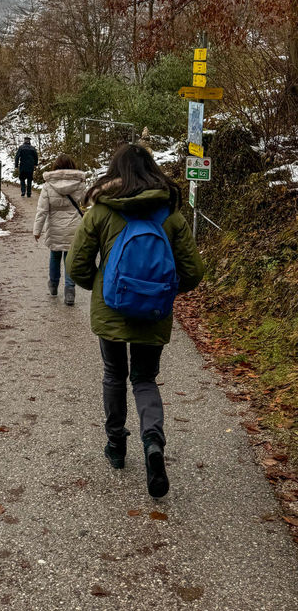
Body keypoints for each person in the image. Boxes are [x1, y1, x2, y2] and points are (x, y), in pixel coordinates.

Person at [66, 143, 204, 498]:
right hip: (154, 312)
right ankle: (153, 442)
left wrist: (100, 286)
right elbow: (192, 272)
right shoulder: (170, 213)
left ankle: (116, 447)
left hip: (111, 308)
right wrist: (162, 291)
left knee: (114, 375)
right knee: (144, 378)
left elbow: (77, 266)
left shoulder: (100, 211)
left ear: (116, 172)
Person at [33, 154, 88, 305]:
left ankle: (53, 285)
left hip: (55, 227)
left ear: (55, 167)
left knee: (55, 256)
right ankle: (70, 291)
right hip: (74, 228)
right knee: (70, 259)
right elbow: (86, 206)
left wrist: (37, 230)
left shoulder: (48, 185)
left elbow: (42, 210)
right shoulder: (80, 184)